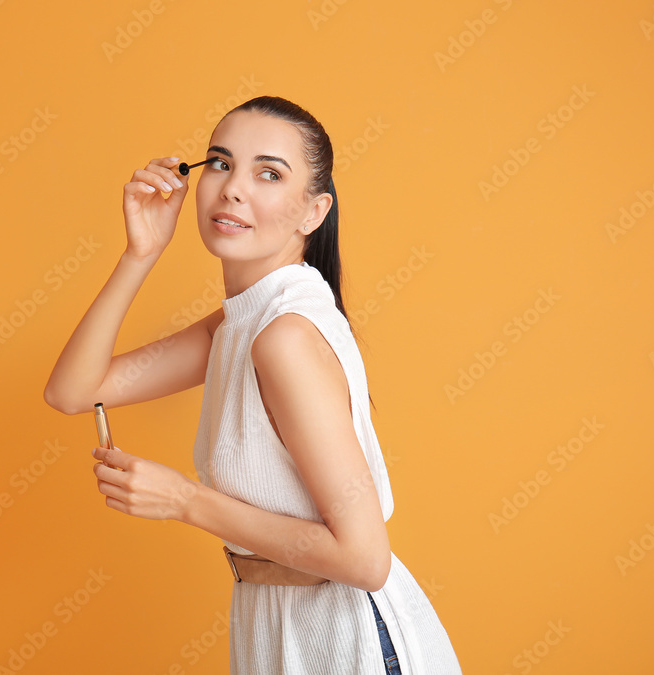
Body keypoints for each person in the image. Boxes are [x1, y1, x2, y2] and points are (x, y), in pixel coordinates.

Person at [43, 95, 462, 674]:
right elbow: (73, 390)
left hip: (350, 645)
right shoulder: (241, 321)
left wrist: (184, 500)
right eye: (219, 163)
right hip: (285, 628)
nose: (233, 188)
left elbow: (366, 559)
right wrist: (142, 252)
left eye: (268, 173)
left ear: (313, 213)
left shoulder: (283, 336)